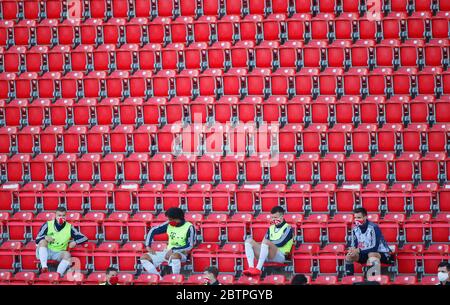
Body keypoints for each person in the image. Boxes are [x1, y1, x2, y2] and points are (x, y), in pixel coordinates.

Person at [140, 207, 195, 277]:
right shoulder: (169, 224)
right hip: (167, 252)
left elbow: (190, 245)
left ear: (177, 219)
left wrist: (173, 250)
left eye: (170, 219)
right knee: (144, 257)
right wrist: (148, 246)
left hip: (181, 253)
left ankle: (175, 278)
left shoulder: (189, 227)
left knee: (174, 256)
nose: (169, 221)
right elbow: (152, 230)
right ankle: (159, 278)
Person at [35, 207, 88, 276]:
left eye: (63, 216)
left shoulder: (69, 227)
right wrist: (45, 237)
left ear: (66, 216)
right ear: (55, 216)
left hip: (58, 253)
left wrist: (75, 242)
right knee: (43, 241)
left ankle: (58, 275)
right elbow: (37, 239)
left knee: (67, 255)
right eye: (59, 215)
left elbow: (84, 238)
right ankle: (44, 267)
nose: (61, 217)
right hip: (46, 251)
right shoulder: (48, 224)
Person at [243, 206, 294, 277]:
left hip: (281, 256)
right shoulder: (271, 228)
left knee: (266, 242)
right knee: (248, 241)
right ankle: (251, 268)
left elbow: (281, 242)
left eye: (275, 217)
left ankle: (258, 269)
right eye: (272, 217)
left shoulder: (288, 228)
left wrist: (268, 243)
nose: (273, 219)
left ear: (282, 217)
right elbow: (264, 241)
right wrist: (264, 245)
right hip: (268, 254)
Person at [345, 207, 393, 276]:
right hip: (364, 253)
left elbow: (374, 248)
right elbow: (354, 245)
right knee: (349, 256)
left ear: (365, 217)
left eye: (359, 217)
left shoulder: (374, 227)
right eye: (355, 218)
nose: (356, 220)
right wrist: (352, 251)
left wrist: (358, 250)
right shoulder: (354, 229)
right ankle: (349, 279)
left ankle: (373, 279)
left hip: (381, 254)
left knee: (372, 254)